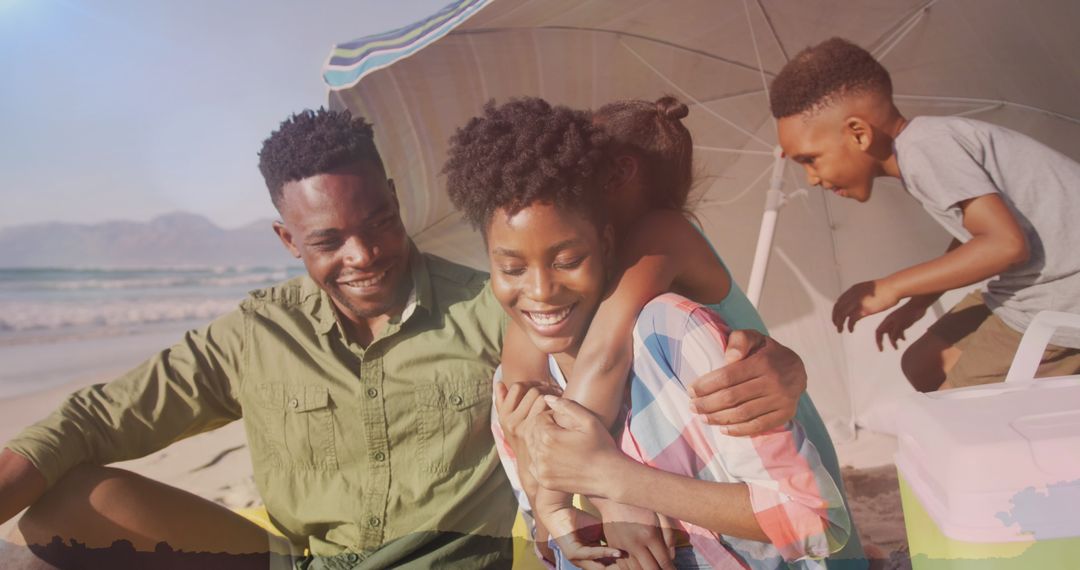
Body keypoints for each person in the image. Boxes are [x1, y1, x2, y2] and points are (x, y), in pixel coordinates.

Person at [0, 108, 810, 569]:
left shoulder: (497, 305)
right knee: (63, 506)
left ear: (394, 197)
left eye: (377, 224)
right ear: (288, 239)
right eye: (327, 243)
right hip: (299, 565)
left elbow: (614, 370)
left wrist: (781, 365)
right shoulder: (255, 333)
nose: (362, 256)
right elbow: (91, 419)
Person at [442, 97, 852, 569]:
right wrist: (550, 463)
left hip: (759, 427)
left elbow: (603, 356)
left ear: (617, 174)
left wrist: (592, 482)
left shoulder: (659, 243)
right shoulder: (566, 296)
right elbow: (522, 366)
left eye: (584, 168)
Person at [771, 37, 1080, 391]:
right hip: (1030, 287)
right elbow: (976, 232)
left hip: (1063, 300)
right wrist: (919, 303)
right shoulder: (921, 148)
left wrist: (891, 287)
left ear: (858, 134)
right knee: (922, 365)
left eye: (810, 159)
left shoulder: (924, 151)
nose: (811, 179)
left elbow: (1006, 246)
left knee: (960, 408)